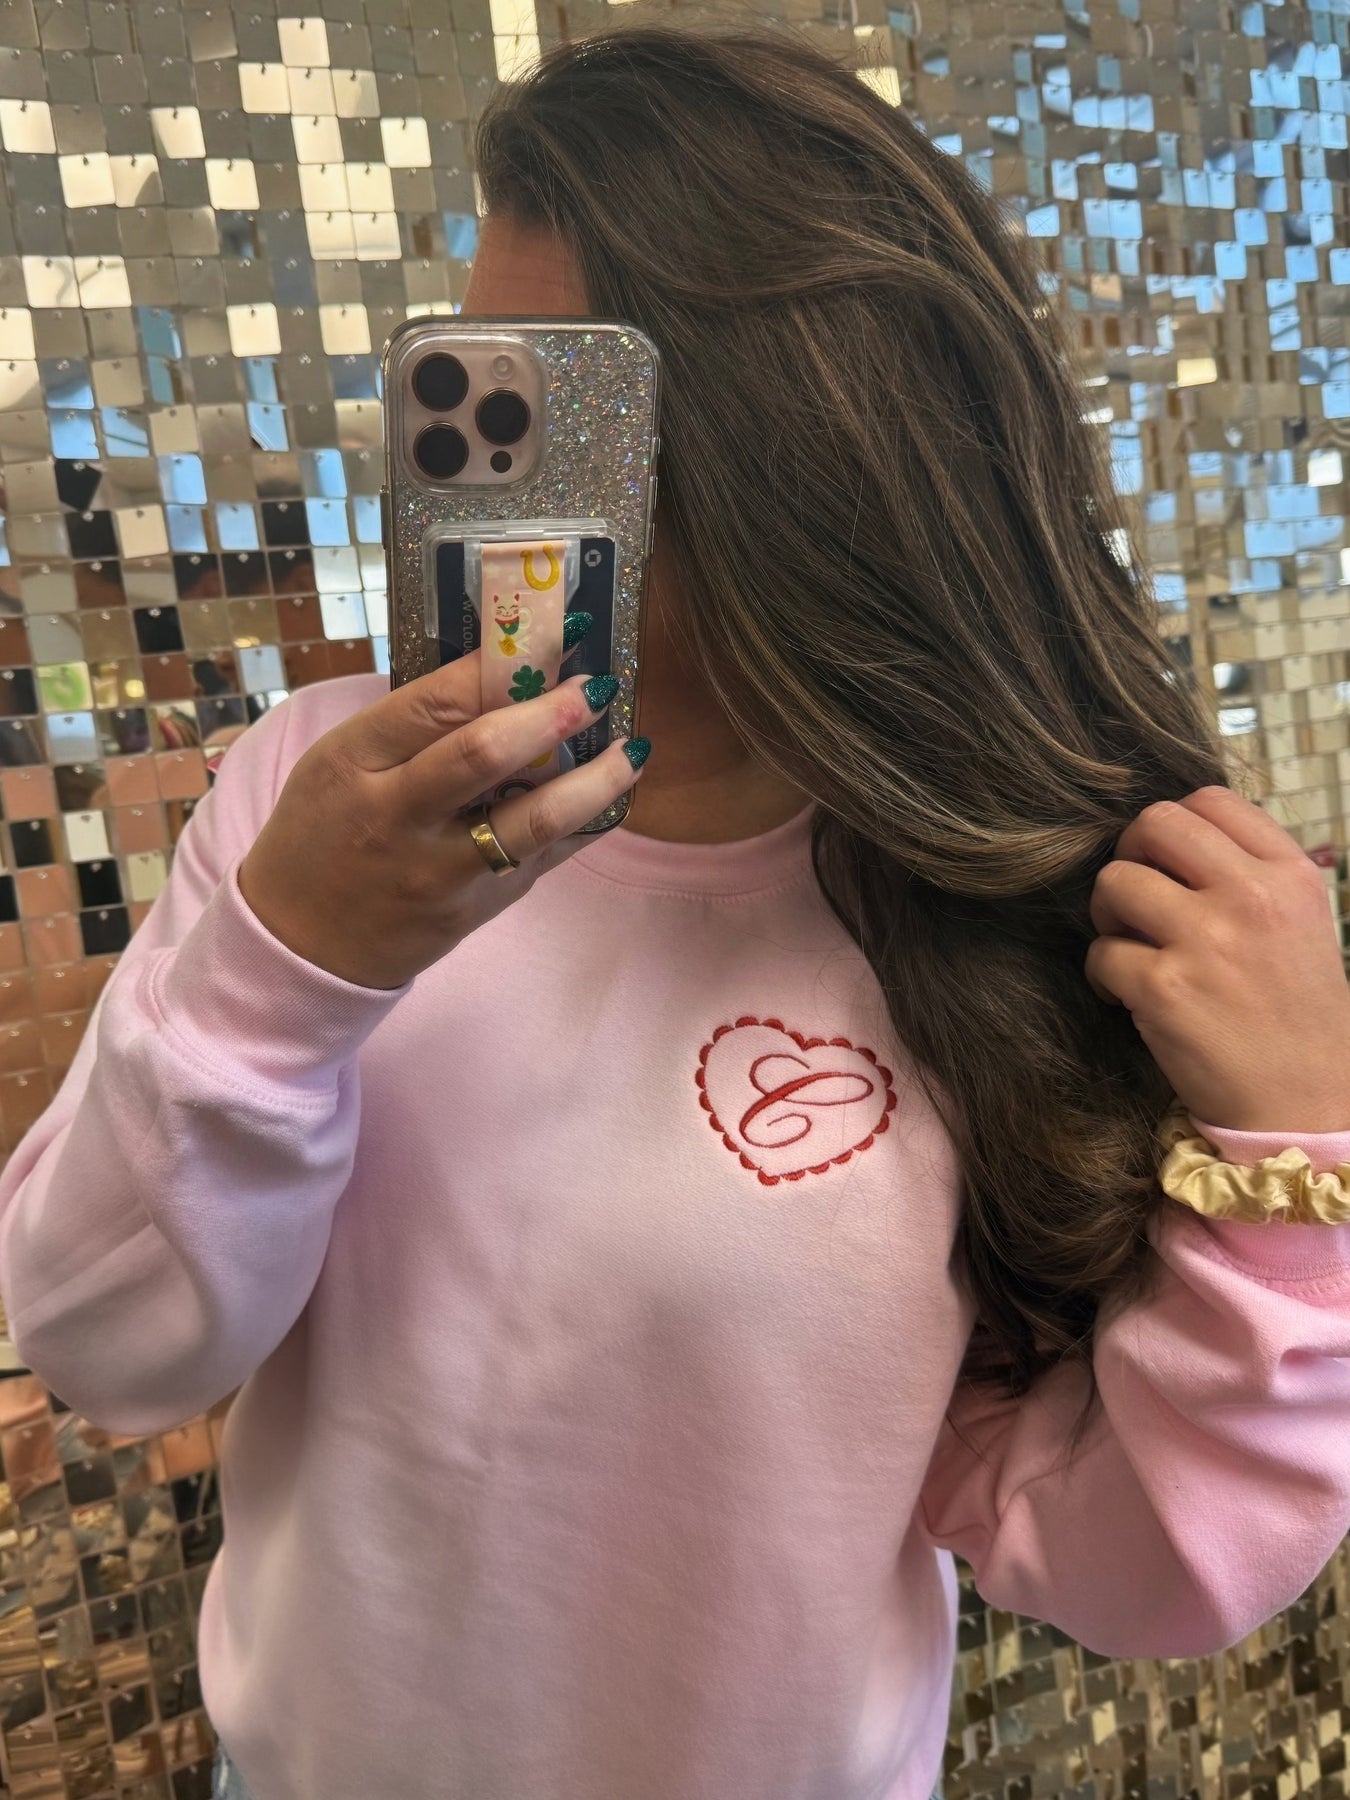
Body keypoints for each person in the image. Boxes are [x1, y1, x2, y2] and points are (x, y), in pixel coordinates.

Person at [2, 22, 1350, 1800]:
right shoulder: (321, 807)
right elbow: (107, 1348)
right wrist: (285, 971)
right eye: (470, 385)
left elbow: (1137, 1567)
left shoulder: (1005, 909)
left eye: (559, 405)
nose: (485, 474)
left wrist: (1296, 1168)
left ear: (804, 442)